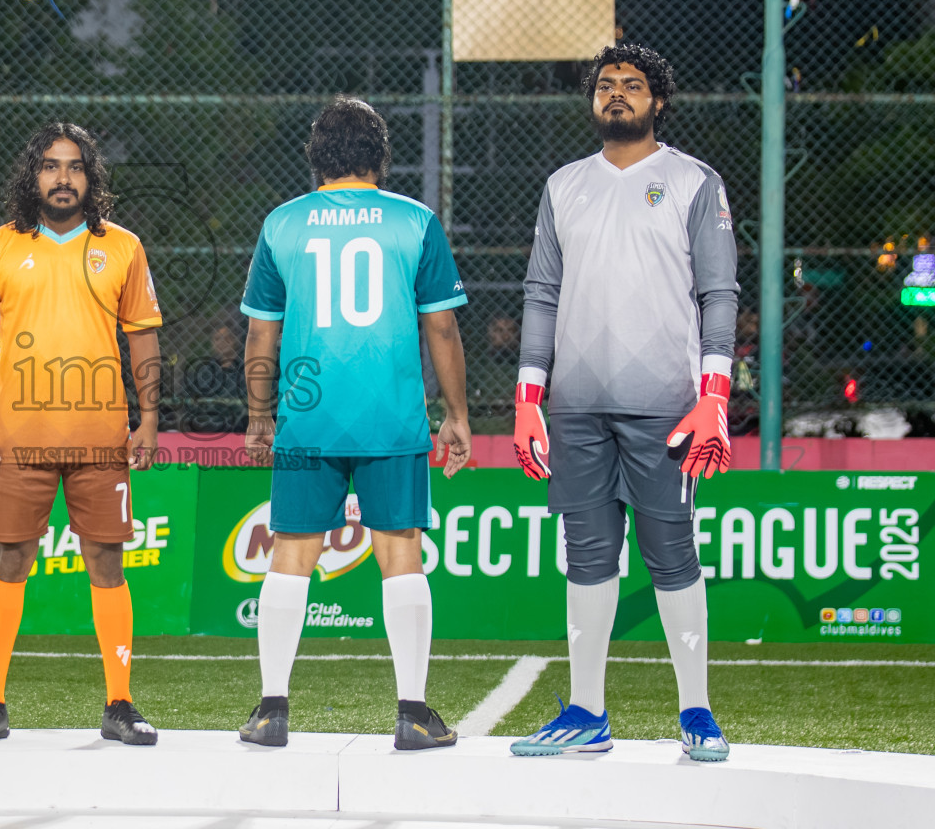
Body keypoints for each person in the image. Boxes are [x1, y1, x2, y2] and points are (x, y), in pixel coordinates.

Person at [510, 44, 737, 762]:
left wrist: (714, 399)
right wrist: (527, 401)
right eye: (605, 85)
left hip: (667, 408)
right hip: (576, 406)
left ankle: (697, 712)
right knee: (587, 556)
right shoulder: (563, 185)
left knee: (672, 551)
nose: (616, 95)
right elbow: (541, 295)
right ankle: (586, 711)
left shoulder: (694, 181)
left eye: (631, 86)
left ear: (657, 100)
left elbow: (719, 295)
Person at [237, 97, 471, 751]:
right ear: (381, 155)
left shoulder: (283, 223)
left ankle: (270, 711)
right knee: (401, 555)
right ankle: (413, 713)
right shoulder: (415, 221)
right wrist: (456, 414)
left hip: (307, 419)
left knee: (292, 555)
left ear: (315, 154)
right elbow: (443, 326)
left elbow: (262, 334)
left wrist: (259, 417)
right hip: (391, 416)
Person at [0, 121, 163, 747]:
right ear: (33, 176)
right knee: (10, 561)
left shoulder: (123, 247)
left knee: (106, 562)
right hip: (21, 440)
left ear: (90, 177)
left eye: (74, 166)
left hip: (102, 439)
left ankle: (120, 703)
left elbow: (143, 337)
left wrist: (149, 417)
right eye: (50, 166)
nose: (63, 177)